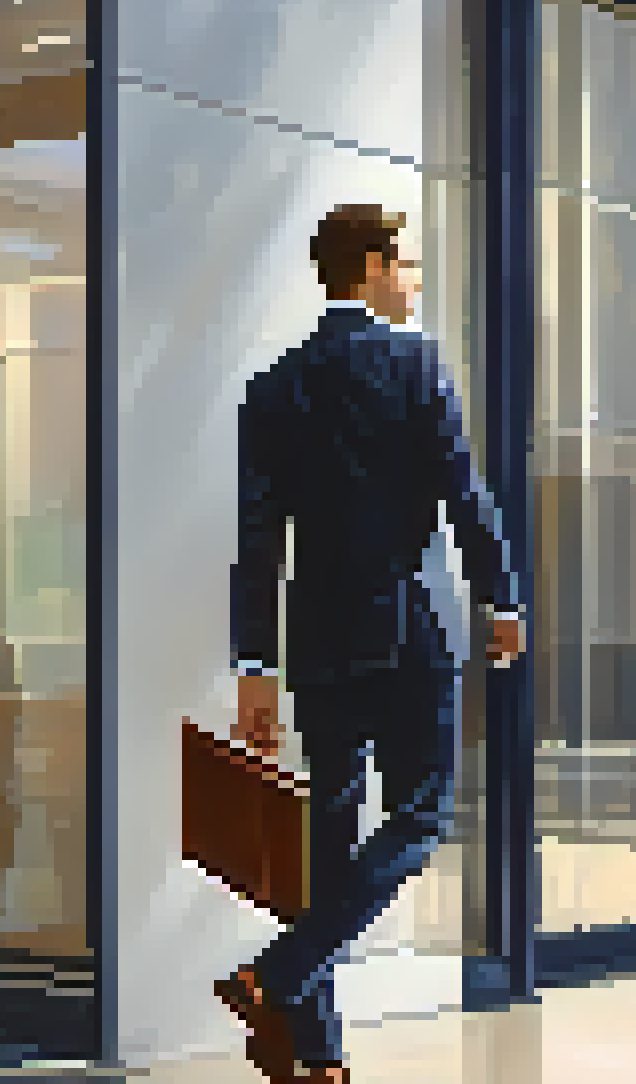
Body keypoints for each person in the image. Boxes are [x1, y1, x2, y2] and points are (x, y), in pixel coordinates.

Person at [219, 204, 527, 1084]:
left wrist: (253, 666)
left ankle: (318, 1056)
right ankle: (276, 975)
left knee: (331, 839)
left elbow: (258, 542)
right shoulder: (417, 364)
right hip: (414, 636)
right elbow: (466, 498)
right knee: (423, 818)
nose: (416, 280)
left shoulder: (274, 387)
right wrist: (500, 597)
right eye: (409, 265)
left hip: (316, 644)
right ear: (369, 267)